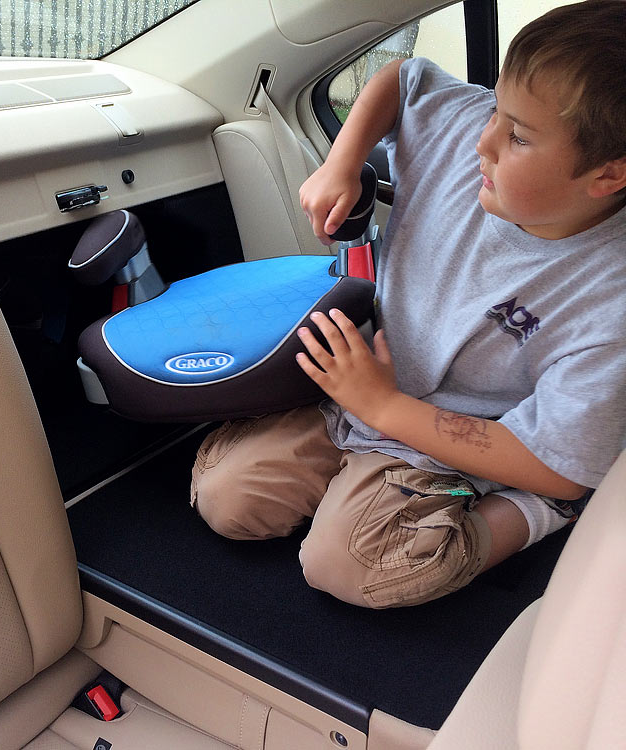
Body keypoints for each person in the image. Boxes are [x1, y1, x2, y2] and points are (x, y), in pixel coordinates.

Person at [190, 0, 626, 608]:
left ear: (608, 177)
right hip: (364, 396)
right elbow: (402, 80)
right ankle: (357, 473)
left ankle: (530, 516)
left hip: (480, 445)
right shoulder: (473, 129)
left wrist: (382, 404)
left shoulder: (611, 302)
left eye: (519, 136)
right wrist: (341, 162)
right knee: (226, 497)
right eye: (497, 108)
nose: (484, 139)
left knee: (352, 566)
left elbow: (559, 465)